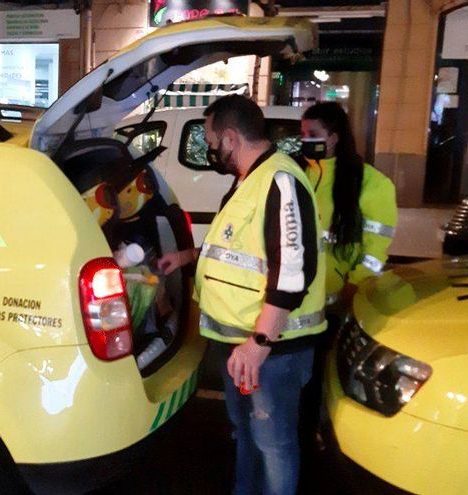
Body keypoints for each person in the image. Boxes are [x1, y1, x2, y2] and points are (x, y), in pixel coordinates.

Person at [158, 95, 325, 495]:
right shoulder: (248, 181)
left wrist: (259, 343)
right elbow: (241, 250)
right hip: (242, 345)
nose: (212, 151)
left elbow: (291, 273)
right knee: (248, 437)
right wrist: (185, 256)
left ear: (231, 138)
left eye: (213, 142)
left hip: (271, 351)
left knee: (274, 445)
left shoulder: (279, 181)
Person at [298, 102, 397, 452]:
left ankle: (324, 440)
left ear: (335, 138)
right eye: (302, 133)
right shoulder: (299, 174)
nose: (304, 140)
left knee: (329, 378)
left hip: (337, 303)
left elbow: (375, 250)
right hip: (297, 304)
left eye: (313, 135)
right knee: (303, 381)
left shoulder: (371, 183)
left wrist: (353, 287)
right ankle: (305, 437)